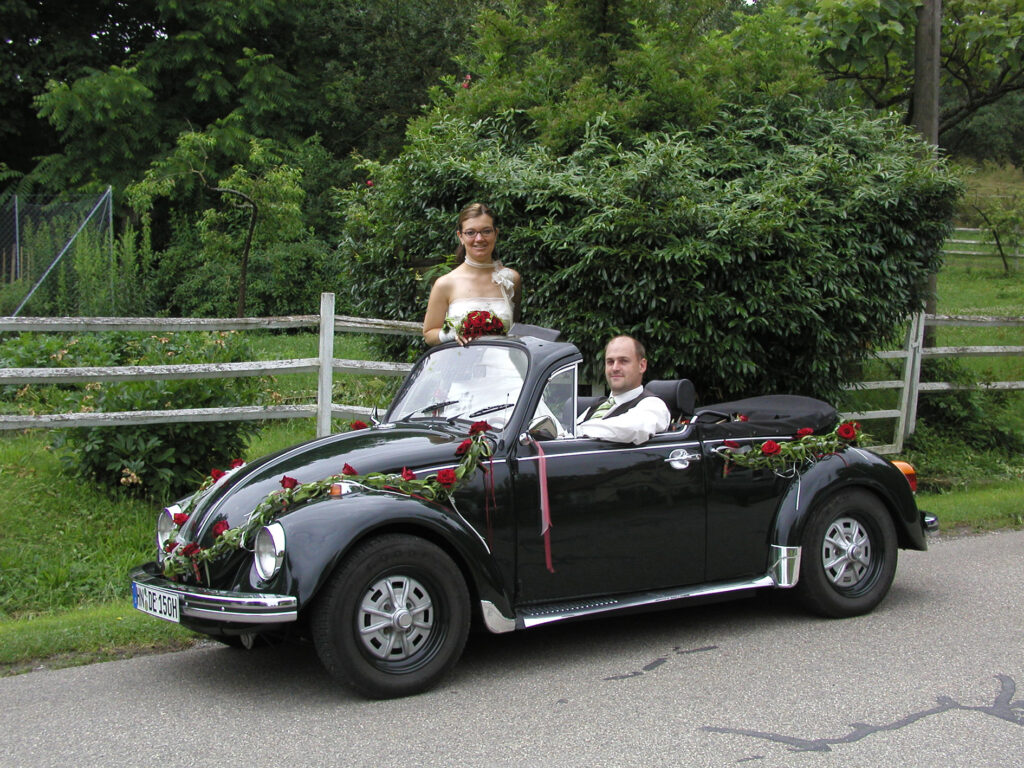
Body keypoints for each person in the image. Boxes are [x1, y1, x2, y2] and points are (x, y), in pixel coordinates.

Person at [422, 203, 522, 345]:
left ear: (496, 233)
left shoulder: (512, 279)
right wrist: (452, 333)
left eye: (486, 231)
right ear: (460, 237)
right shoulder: (445, 284)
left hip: (503, 364)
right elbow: (429, 334)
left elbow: (515, 327)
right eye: (470, 233)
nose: (479, 238)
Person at [577, 335, 670, 445]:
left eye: (623, 361)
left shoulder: (653, 405)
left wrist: (578, 431)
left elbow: (632, 428)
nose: (615, 368)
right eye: (610, 362)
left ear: (642, 365)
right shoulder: (596, 407)